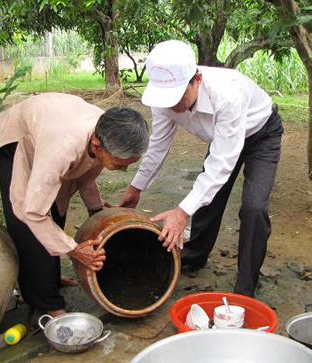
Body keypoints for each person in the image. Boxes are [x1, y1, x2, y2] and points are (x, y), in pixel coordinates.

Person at [118, 40, 283, 297]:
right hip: (221, 140)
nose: (171, 105)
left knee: (254, 207)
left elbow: (223, 162)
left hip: (261, 134)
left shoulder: (228, 93)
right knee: (206, 200)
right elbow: (159, 144)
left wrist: (182, 212)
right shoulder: (163, 100)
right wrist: (136, 188)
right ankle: (194, 254)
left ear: (197, 79)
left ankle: (246, 285)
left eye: (177, 96)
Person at [0, 92, 149, 317]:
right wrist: (74, 250)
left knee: (55, 210)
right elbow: (33, 212)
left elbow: (86, 177)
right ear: (96, 145)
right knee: (27, 222)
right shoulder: (63, 148)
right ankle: (46, 303)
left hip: (48, 126)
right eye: (119, 165)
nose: (124, 170)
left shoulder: (108, 132)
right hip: (15, 139)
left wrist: (97, 213)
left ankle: (49, 276)